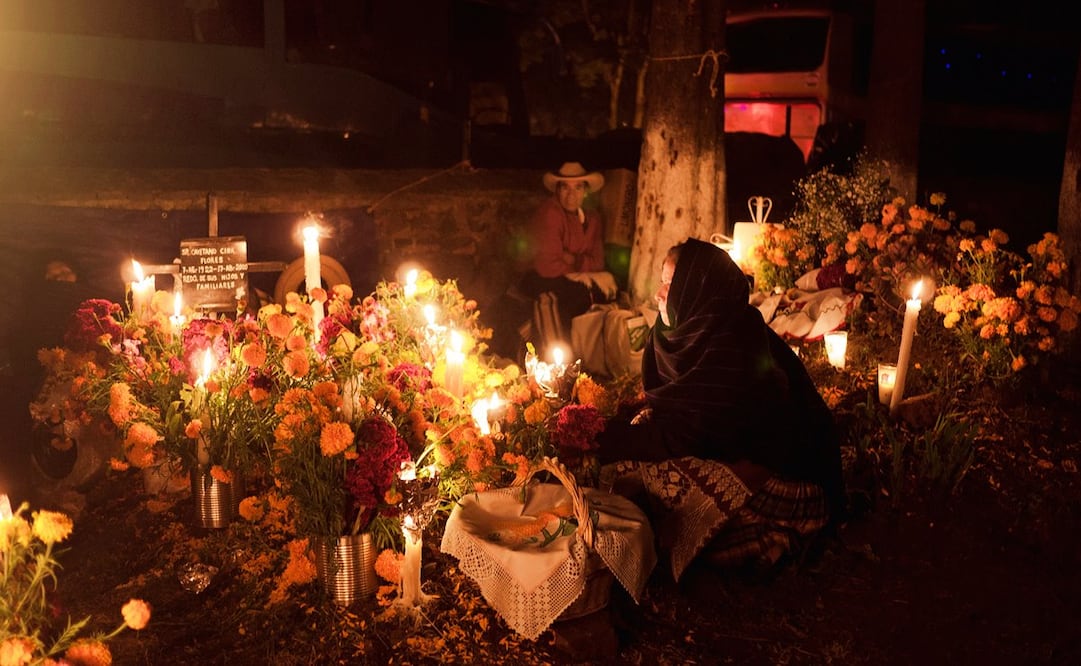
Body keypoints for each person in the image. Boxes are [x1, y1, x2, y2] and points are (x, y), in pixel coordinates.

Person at [598, 237, 846, 580]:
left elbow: (690, 435)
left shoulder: (734, 341)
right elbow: (673, 409)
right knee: (645, 451)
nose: (659, 294)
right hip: (723, 453)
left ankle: (765, 533)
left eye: (671, 284)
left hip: (786, 478)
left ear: (697, 290)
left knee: (671, 503)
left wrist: (605, 439)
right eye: (662, 281)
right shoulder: (676, 334)